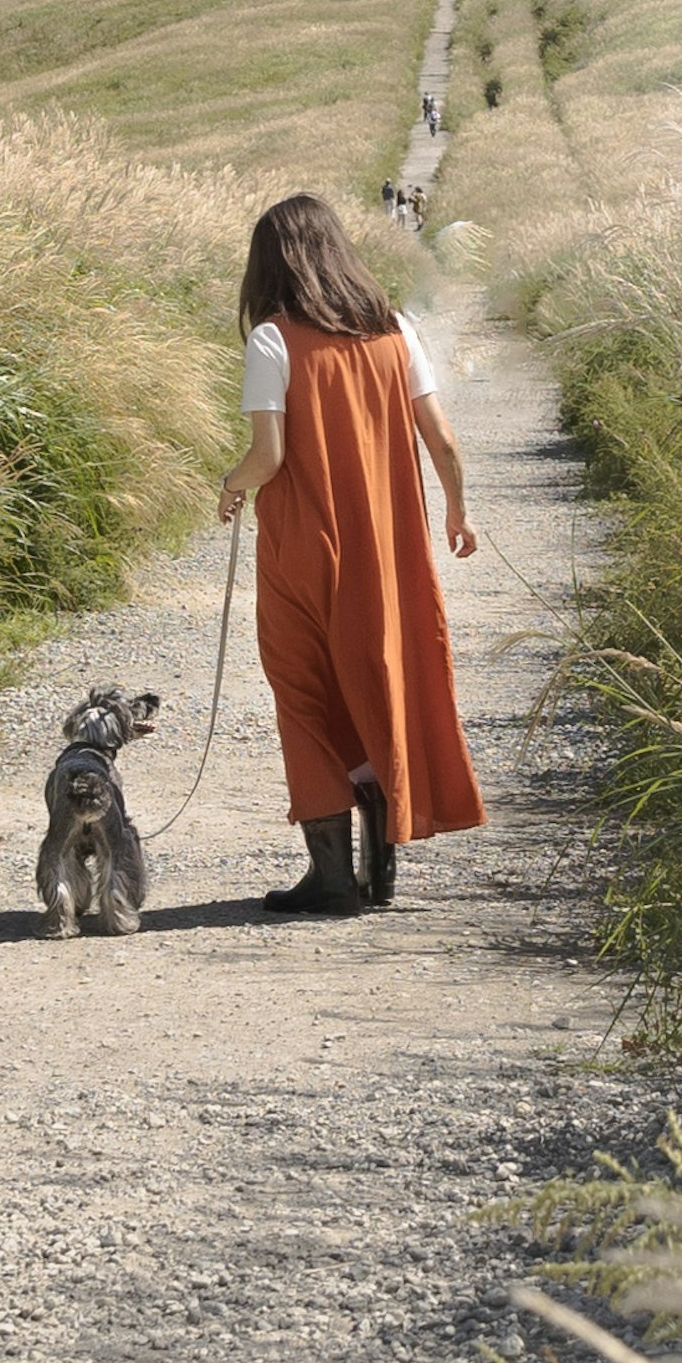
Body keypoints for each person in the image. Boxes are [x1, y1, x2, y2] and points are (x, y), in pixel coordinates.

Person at [213, 187, 483, 917]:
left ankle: (332, 878)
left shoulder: (273, 339)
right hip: (386, 555)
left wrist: (231, 485)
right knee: (377, 681)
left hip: (304, 547)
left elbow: (268, 455)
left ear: (274, 263)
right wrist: (456, 510)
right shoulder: (397, 328)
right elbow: (444, 439)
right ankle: (383, 866)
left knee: (305, 697)